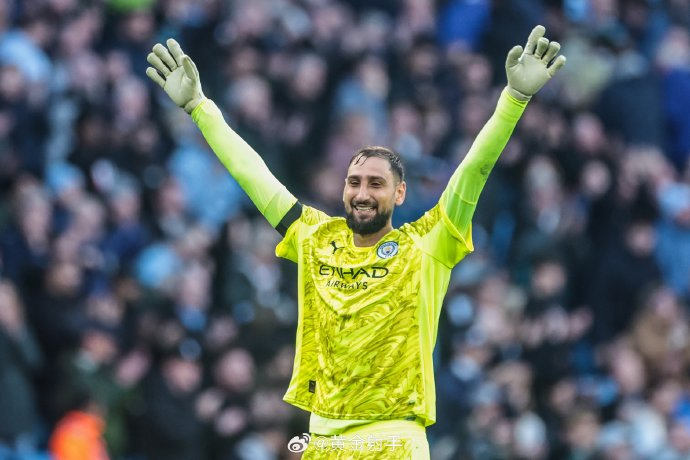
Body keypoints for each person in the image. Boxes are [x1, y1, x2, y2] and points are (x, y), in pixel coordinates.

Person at [146, 25, 566, 459]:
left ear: (400, 194)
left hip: (395, 438)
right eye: (354, 182)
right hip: (324, 439)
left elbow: (473, 171)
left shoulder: (427, 243)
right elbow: (254, 176)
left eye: (376, 183)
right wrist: (199, 107)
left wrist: (513, 100)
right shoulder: (315, 237)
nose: (362, 193)